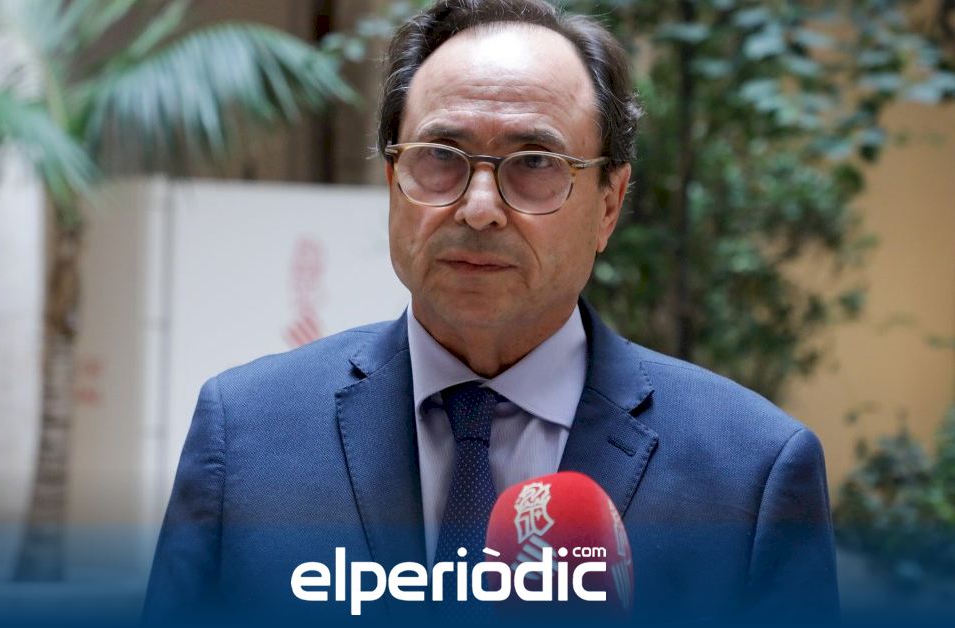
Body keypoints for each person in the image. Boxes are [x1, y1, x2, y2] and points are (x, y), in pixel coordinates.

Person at [143, 0, 839, 623]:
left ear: (608, 204)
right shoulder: (246, 436)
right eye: (440, 156)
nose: (478, 208)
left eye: (534, 163)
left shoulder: (749, 478)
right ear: (392, 180)